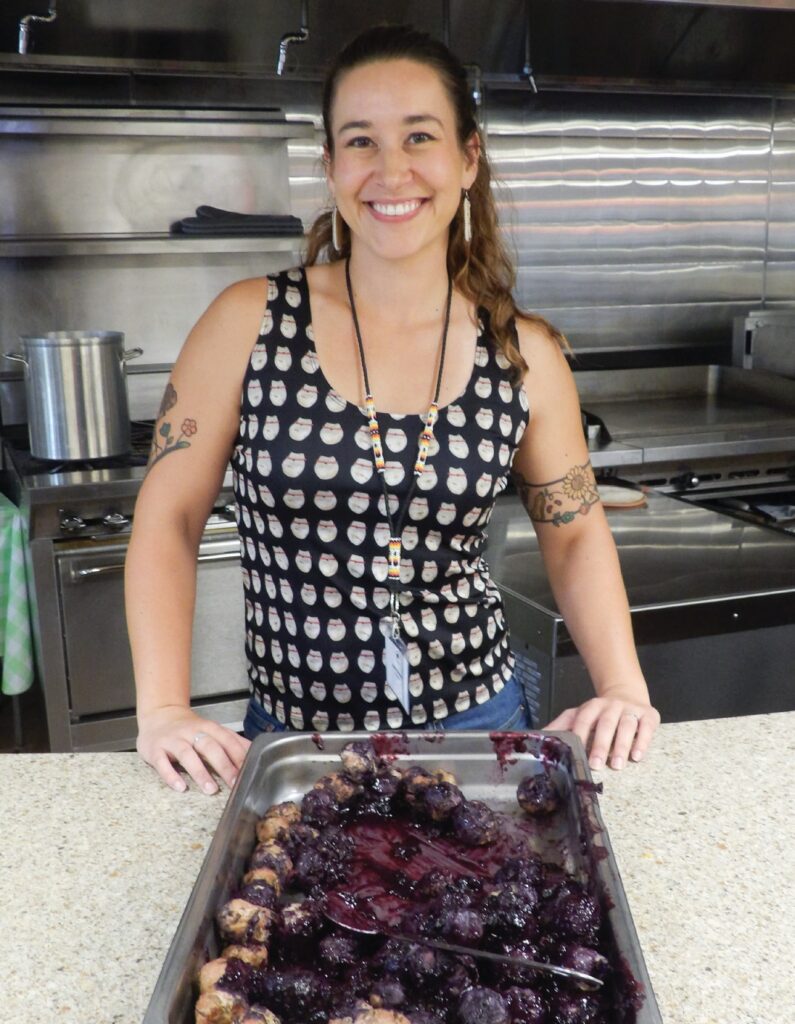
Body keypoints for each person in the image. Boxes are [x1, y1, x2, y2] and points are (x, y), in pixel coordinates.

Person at [126, 24, 660, 796]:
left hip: (478, 730)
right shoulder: (247, 321)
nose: (390, 170)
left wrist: (623, 686)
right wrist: (163, 709)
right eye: (360, 141)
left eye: (418, 136)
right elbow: (168, 516)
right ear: (330, 165)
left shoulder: (523, 352)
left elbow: (574, 531)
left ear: (467, 158)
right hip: (294, 743)